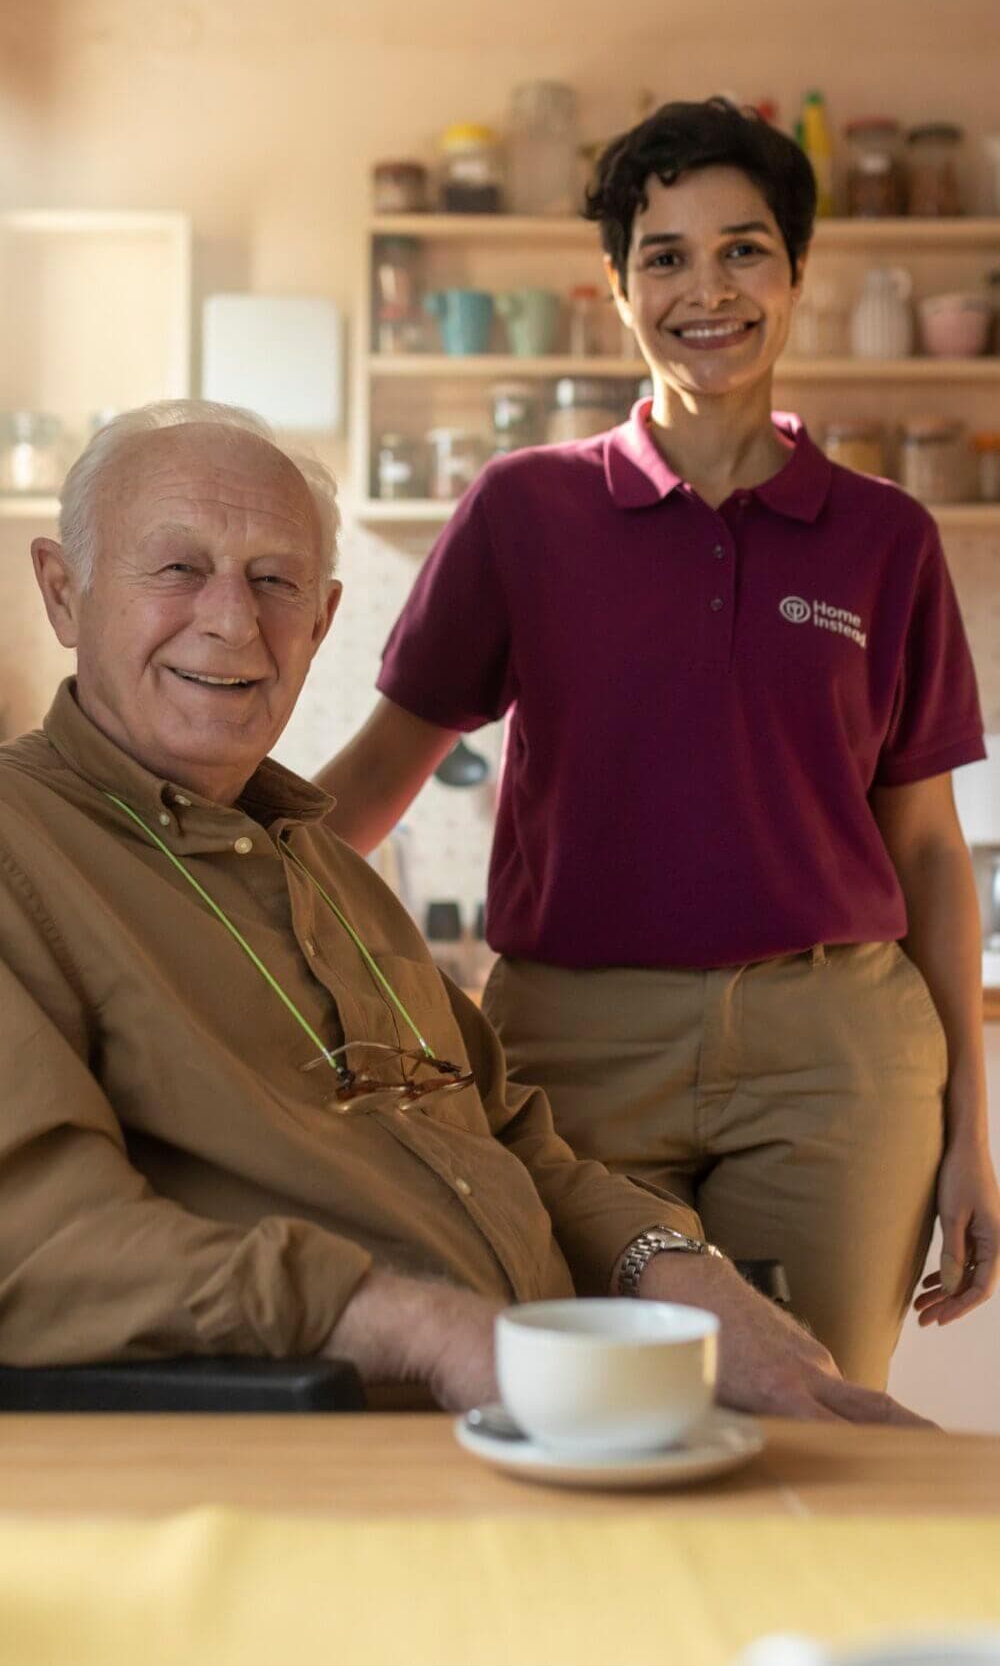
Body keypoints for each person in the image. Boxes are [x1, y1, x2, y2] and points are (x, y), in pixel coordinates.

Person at [0, 397, 926, 1427]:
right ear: (62, 590)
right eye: (177, 568)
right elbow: (43, 1246)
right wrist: (427, 1330)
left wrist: (686, 1277)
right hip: (344, 1459)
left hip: (551, 1420)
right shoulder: (18, 849)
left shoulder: (329, 870)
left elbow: (511, 1136)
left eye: (276, 582)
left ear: (321, 621)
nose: (232, 619)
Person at [317, 99, 1000, 1391]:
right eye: (666, 255)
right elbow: (376, 775)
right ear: (617, 288)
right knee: (590, 1409)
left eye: (743, 250)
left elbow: (925, 846)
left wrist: (975, 1125)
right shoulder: (525, 508)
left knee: (815, 1419)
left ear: (797, 275)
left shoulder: (884, 535)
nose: (707, 289)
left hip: (835, 1057)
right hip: (571, 1049)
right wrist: (191, 893)